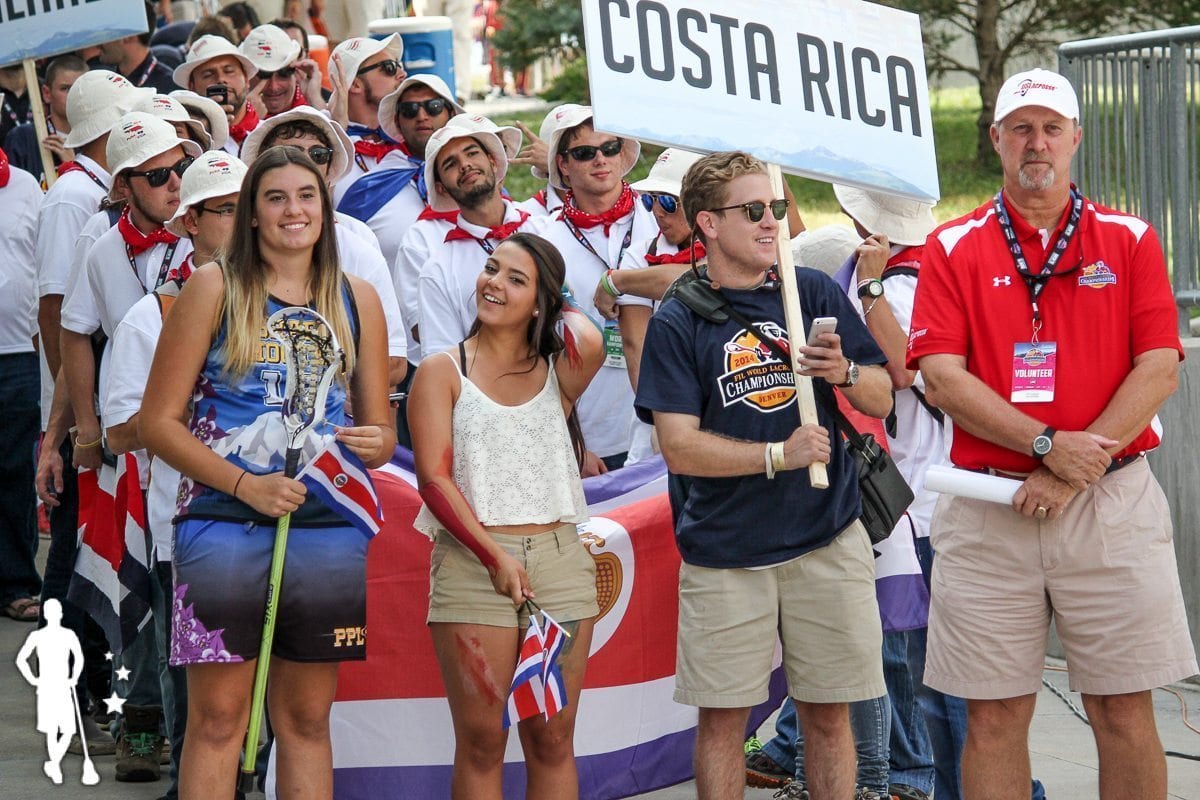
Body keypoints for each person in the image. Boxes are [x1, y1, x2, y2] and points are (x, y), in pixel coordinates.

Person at [908, 68, 1198, 800]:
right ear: (997, 139)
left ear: (1075, 139)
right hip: (990, 509)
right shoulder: (951, 247)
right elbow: (940, 377)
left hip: (1108, 502)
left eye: (1051, 128)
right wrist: (1046, 444)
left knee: (1123, 709)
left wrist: (1070, 464)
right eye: (1021, 128)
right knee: (995, 715)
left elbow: (1159, 368)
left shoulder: (1128, 239)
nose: (1036, 143)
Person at [139, 145, 395, 799]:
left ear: (325, 208)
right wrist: (245, 484)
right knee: (220, 719)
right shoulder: (214, 287)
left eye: (306, 195)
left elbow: (380, 434)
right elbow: (157, 424)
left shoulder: (359, 298)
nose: (293, 210)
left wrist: (374, 442)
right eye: (275, 197)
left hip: (326, 528)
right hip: (223, 524)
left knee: (307, 718)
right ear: (252, 213)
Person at [635, 151, 893, 800]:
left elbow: (884, 396)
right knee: (724, 722)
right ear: (707, 224)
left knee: (829, 715)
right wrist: (779, 455)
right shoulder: (679, 318)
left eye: (775, 208)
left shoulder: (813, 293)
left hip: (827, 538)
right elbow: (678, 447)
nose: (771, 222)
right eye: (753, 211)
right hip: (726, 552)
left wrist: (847, 375)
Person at [408, 231, 604, 799]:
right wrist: (493, 556)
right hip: (473, 565)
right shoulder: (441, 371)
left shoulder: (558, 369)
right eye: (491, 269)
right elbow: (434, 481)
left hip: (561, 563)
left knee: (552, 737)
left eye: (515, 279)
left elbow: (589, 335)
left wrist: (554, 292)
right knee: (482, 740)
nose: (493, 283)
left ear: (543, 301)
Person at [104, 149, 247, 800]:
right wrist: (182, 407)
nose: (243, 221)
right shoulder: (151, 317)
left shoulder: (296, 304)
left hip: (285, 530)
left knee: (275, 700)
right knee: (196, 703)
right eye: (225, 210)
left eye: (253, 204)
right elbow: (119, 431)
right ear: (189, 223)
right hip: (190, 531)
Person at [238, 104, 409, 388]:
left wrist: (318, 396)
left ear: (330, 170)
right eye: (289, 154)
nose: (302, 164)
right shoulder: (218, 276)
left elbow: (394, 361)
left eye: (317, 155)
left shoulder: (359, 248)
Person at [535, 104, 658, 474]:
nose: (600, 159)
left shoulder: (660, 216)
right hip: (591, 439)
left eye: (610, 147)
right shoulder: (542, 239)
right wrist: (569, 441)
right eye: (585, 153)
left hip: (665, 423)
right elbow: (532, 350)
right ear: (563, 165)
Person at [414, 114, 537, 358]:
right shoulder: (437, 270)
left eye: (472, 153)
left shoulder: (547, 230)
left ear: (492, 161)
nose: (465, 165)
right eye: (450, 164)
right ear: (441, 187)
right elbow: (445, 362)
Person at [338, 74, 465, 272]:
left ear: (450, 115)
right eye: (409, 110)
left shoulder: (475, 173)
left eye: (434, 106)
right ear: (398, 122)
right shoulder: (372, 185)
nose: (422, 116)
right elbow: (341, 249)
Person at [0, 148, 43, 625]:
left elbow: (39, 268)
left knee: (13, 473)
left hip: (15, 353)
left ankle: (14, 583)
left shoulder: (26, 186)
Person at [327, 33, 406, 203]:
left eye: (399, 65)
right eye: (389, 67)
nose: (402, 74)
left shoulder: (409, 130)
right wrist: (338, 130)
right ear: (355, 84)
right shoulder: (326, 141)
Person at [15, 599, 85, 785]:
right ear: (46, 615)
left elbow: (78, 658)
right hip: (47, 687)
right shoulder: (37, 636)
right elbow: (21, 659)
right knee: (52, 730)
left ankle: (53, 762)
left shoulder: (68, 635)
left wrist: (74, 677)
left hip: (64, 685)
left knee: (69, 731)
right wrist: (33, 680)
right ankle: (54, 764)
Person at [4, 54, 88, 183]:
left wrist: (73, 166)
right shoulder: (23, 137)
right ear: (46, 93)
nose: (73, 95)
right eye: (65, 88)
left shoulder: (97, 138)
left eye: (80, 88)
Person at [172, 34, 260, 154]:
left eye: (229, 71)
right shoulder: (182, 142)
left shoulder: (271, 133)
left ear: (246, 79)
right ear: (191, 87)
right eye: (208, 74)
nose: (221, 79)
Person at [238, 24, 320, 118]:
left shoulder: (315, 107)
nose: (274, 87)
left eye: (283, 74)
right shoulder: (227, 115)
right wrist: (249, 122)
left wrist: (314, 99)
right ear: (245, 76)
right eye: (263, 75)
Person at [98, 1, 178, 94]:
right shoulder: (104, 83)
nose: (99, 42)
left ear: (128, 36)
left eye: (107, 33)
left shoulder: (170, 89)